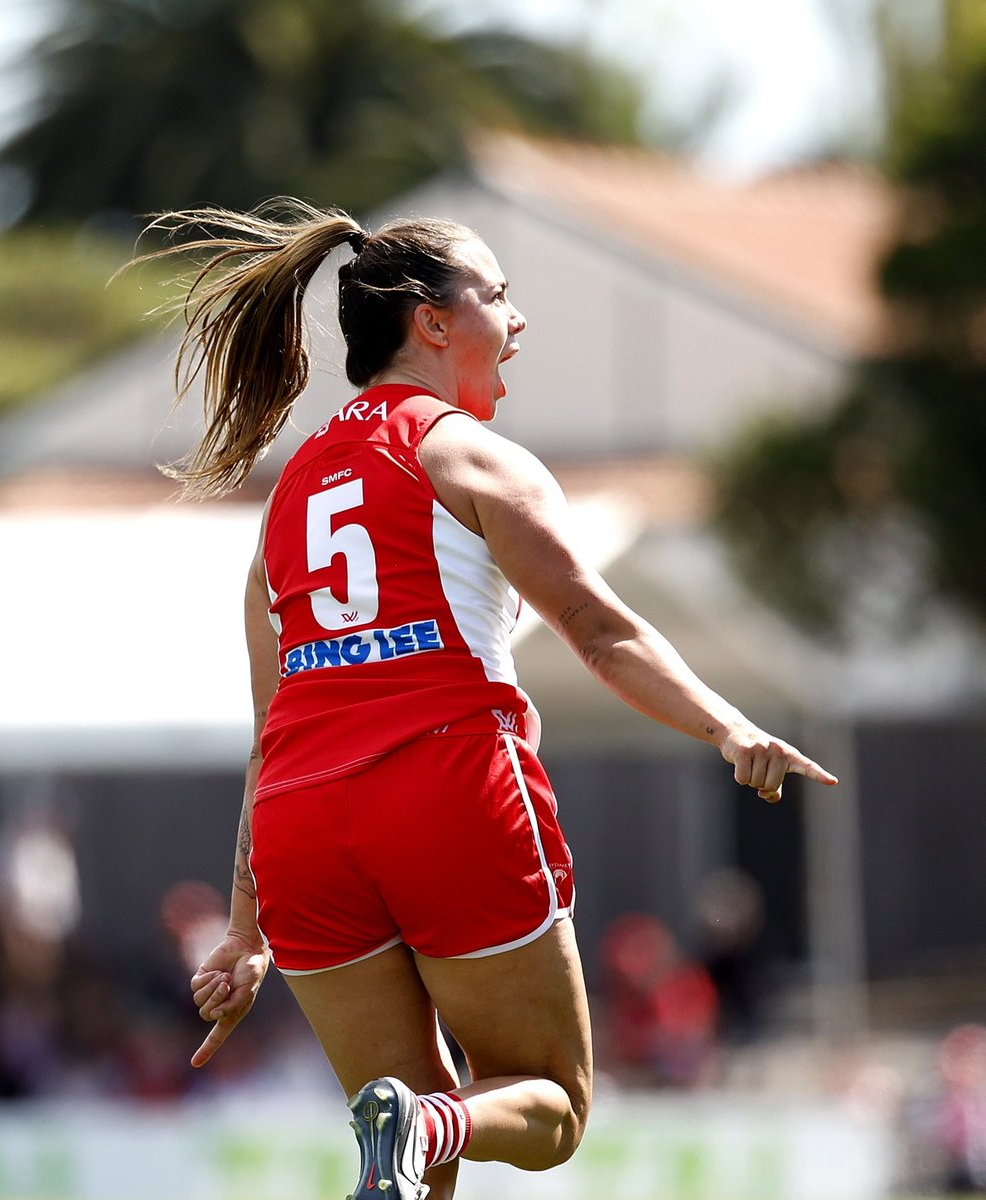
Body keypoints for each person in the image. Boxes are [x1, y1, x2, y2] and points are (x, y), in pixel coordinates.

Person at [134, 200, 838, 1200]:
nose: (517, 321)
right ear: (431, 321)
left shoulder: (286, 505)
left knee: (419, 1169)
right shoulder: (471, 457)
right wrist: (729, 726)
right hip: (444, 787)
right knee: (548, 1106)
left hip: (301, 830)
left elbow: (268, 736)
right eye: (498, 297)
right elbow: (601, 630)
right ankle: (425, 1118)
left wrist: (247, 936)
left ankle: (413, 1125)